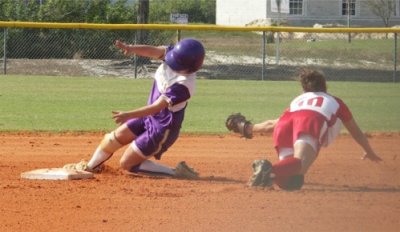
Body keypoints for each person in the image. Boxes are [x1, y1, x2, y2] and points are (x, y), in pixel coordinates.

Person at [65, 38, 205, 179]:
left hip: (161, 129)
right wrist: (130, 48)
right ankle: (90, 168)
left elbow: (156, 107)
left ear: (190, 67)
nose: (170, 61)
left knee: (127, 163)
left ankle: (177, 173)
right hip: (148, 117)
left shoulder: (184, 85)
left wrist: (128, 115)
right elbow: (153, 51)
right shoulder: (175, 56)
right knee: (111, 140)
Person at [226, 68, 382, 190]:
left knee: (292, 182)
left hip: (284, 128)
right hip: (310, 124)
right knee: (299, 164)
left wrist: (246, 128)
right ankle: (268, 168)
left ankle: (269, 175)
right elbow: (355, 131)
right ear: (325, 86)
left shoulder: (298, 100)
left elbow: (274, 124)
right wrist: (369, 150)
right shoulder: (335, 101)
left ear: (304, 88)